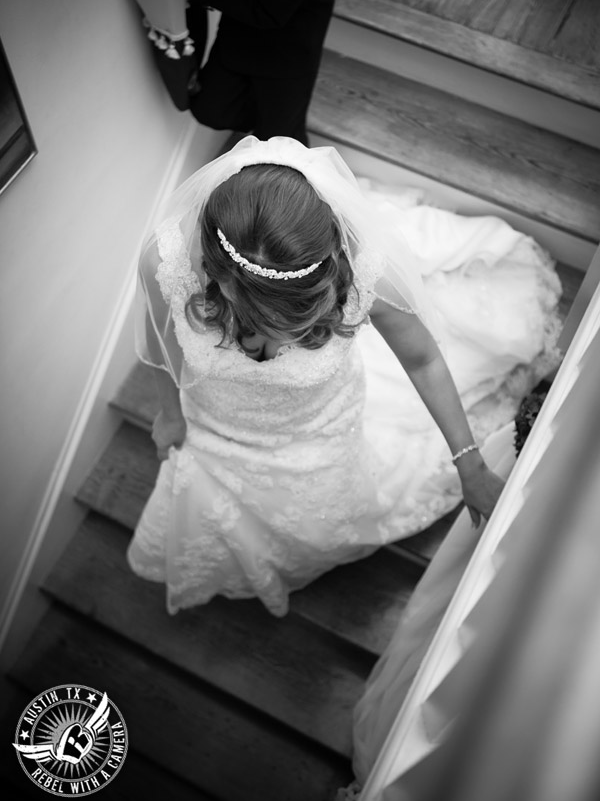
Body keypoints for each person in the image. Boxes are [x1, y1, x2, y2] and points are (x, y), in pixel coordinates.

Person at [127, 135, 562, 617]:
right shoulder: (165, 263)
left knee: (315, 526)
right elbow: (161, 340)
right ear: (219, 275)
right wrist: (171, 413)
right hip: (213, 423)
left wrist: (470, 463)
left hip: (321, 434)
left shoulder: (366, 273)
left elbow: (424, 360)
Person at [181, 0, 341, 144]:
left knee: (282, 140)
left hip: (291, 45)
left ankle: (277, 157)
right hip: (240, 30)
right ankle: (258, 134)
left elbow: (267, 12)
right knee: (209, 109)